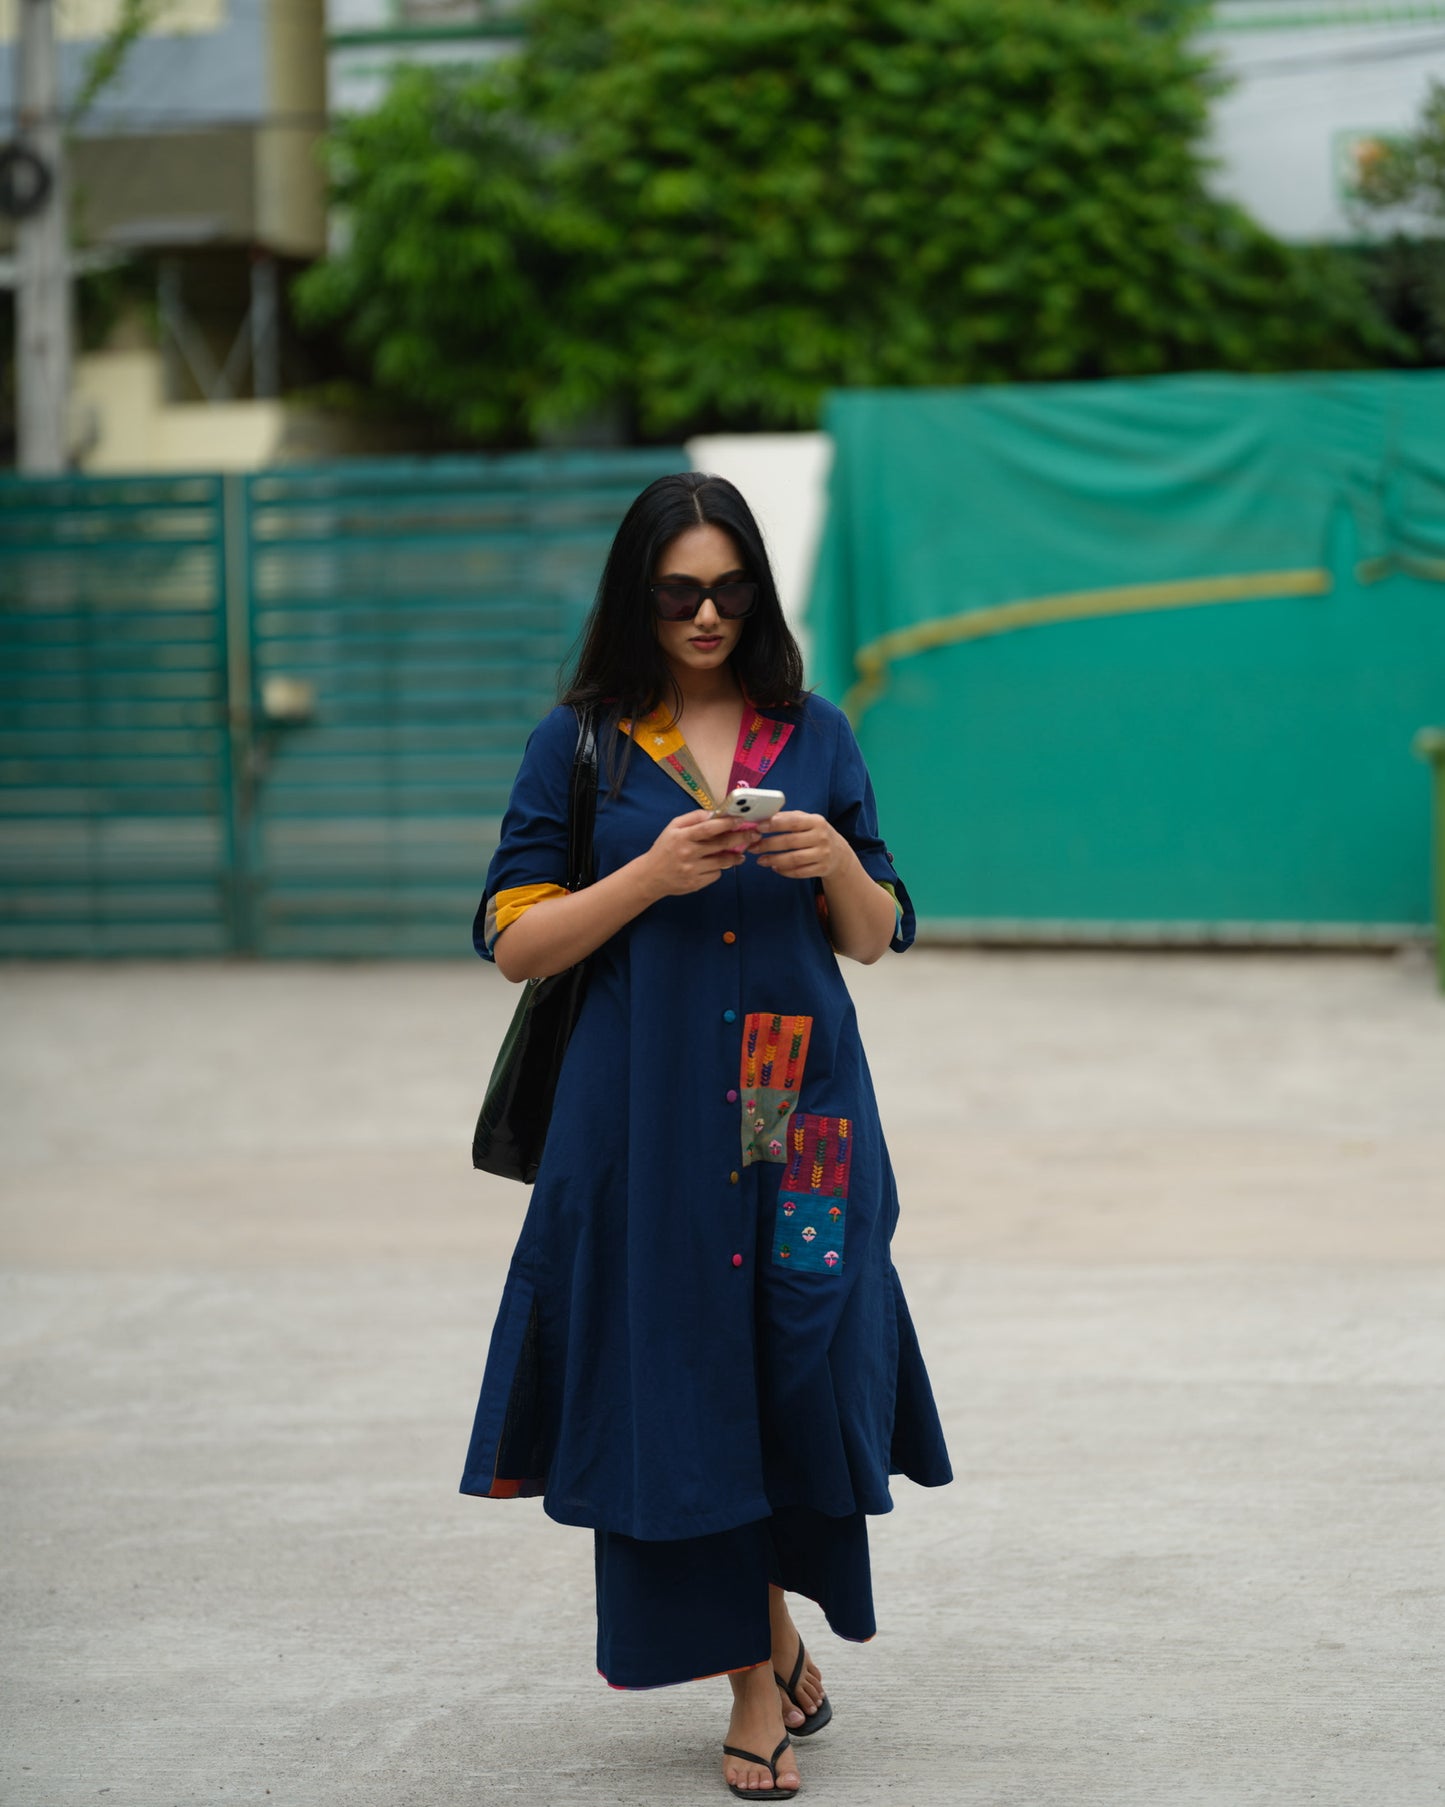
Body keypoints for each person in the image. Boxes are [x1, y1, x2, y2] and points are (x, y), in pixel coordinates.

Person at [460, 472, 952, 1801]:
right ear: (637, 594)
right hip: (643, 1120)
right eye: (677, 590)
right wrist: (647, 873)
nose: (704, 613)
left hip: (801, 1114)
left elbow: (873, 928)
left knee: (804, 1354)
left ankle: (778, 1625)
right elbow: (512, 942)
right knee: (677, 1380)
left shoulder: (813, 732)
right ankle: (753, 1676)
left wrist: (828, 863)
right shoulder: (583, 743)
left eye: (728, 587)